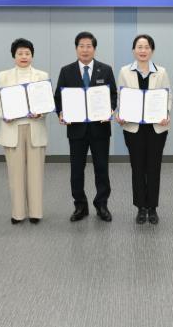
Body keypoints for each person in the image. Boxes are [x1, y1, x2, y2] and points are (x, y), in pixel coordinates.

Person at [54, 31, 117, 222]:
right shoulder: (66, 71)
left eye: (89, 46)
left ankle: (102, 204)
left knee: (101, 168)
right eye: (81, 46)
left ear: (94, 49)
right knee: (76, 170)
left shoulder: (105, 70)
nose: (85, 49)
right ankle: (80, 205)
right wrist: (61, 113)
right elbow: (58, 97)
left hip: (100, 128)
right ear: (76, 49)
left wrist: (110, 109)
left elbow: (113, 94)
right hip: (76, 129)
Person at [116, 34, 171, 225]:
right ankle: (140, 207)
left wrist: (166, 114)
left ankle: (152, 208)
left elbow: (167, 96)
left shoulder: (161, 72)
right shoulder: (124, 71)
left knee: (154, 167)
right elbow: (120, 96)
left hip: (157, 128)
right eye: (139, 47)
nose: (143, 50)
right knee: (137, 167)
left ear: (152, 50)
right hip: (133, 128)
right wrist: (120, 113)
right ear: (133, 50)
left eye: (146, 47)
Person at [0, 38, 49, 224]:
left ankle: (35, 213)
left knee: (36, 173)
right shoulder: (4, 76)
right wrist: (4, 115)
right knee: (15, 174)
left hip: (35, 128)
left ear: (32, 55)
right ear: (14, 56)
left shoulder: (42, 75)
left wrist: (41, 112)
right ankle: (18, 213)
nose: (24, 56)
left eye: (27, 53)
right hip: (12, 128)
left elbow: (47, 100)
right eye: (20, 53)